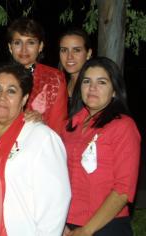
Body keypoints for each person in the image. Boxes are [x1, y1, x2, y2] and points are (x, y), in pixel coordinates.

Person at [0, 64, 71, 236]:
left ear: (24, 98)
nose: (2, 97)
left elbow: (55, 206)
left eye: (11, 91)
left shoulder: (41, 137)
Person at [61, 57, 141, 236]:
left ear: (114, 91)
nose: (92, 88)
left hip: (106, 225)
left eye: (102, 82)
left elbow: (123, 190)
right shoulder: (69, 127)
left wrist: (87, 230)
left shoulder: (123, 126)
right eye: (87, 81)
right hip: (67, 225)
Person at [7, 17, 68, 134]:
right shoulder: (2, 77)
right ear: (10, 47)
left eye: (31, 42)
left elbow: (58, 126)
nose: (24, 49)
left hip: (41, 144)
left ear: (40, 46)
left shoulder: (54, 78)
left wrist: (42, 121)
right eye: (18, 43)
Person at [59, 28, 92, 107]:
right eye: (64, 50)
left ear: (88, 53)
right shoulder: (59, 83)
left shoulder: (92, 87)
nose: (69, 56)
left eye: (76, 50)